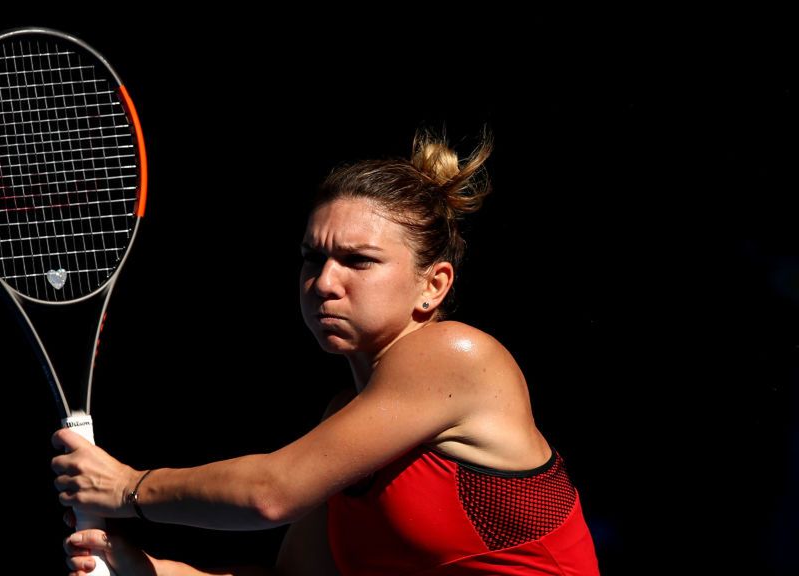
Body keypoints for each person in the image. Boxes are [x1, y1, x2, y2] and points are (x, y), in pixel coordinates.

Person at [51, 129, 601, 575]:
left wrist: (127, 487)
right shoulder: (345, 423)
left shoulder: (458, 354)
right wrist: (147, 569)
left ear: (433, 286)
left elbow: (272, 493)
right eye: (312, 259)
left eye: (358, 261)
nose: (323, 283)